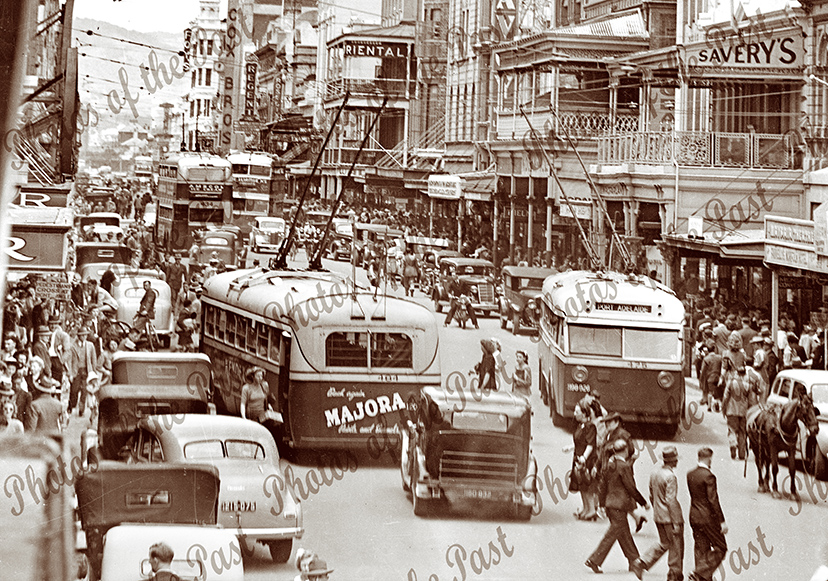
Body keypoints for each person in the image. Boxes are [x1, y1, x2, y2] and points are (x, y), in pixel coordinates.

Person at [585, 439, 649, 574]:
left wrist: (602, 504)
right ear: (625, 450)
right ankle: (594, 560)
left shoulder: (610, 464)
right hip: (620, 505)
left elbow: (602, 485)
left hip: (610, 504)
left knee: (624, 533)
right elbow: (631, 487)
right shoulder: (624, 466)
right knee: (613, 533)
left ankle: (634, 561)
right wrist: (643, 502)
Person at [631, 446, 684, 581]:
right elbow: (671, 500)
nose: (677, 462)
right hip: (669, 518)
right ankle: (674, 576)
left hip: (658, 515)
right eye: (675, 460)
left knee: (664, 543)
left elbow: (651, 495)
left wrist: (657, 508)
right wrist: (676, 521)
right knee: (676, 547)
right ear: (672, 461)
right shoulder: (671, 477)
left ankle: (642, 562)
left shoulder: (655, 473)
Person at [687, 447, 727, 581]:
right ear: (709, 458)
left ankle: (702, 578)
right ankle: (699, 573)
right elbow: (713, 500)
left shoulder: (690, 474)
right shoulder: (709, 476)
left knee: (700, 548)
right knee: (721, 547)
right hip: (707, 518)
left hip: (693, 516)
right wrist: (722, 521)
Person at [570, 402, 599, 521]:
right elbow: (580, 441)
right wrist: (570, 447)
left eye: (577, 412)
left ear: (584, 413)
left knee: (588, 486)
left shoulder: (590, 427)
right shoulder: (581, 425)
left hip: (587, 460)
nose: (574, 414)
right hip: (578, 458)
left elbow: (590, 445)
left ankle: (591, 510)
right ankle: (586, 509)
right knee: (581, 485)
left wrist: (584, 458)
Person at [721, 364, 749, 460]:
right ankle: (742, 454)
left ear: (736, 373)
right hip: (743, 412)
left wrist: (723, 408)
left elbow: (725, 397)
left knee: (732, 430)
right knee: (742, 432)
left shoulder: (731, 382)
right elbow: (751, 399)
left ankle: (733, 444)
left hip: (731, 410)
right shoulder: (747, 385)